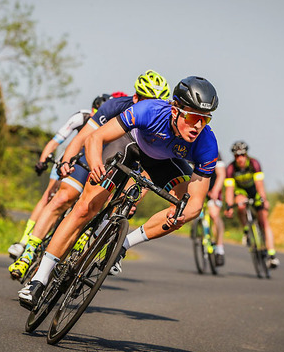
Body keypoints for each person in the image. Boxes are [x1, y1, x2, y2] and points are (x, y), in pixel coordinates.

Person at [18, 75, 220, 308]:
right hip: (129, 144)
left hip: (163, 162)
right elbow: (97, 137)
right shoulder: (149, 110)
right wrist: (96, 165)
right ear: (175, 109)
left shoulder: (207, 143)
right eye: (193, 117)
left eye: (205, 120)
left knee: (184, 210)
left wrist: (182, 214)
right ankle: (38, 279)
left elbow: (196, 202)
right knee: (86, 208)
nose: (198, 126)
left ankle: (122, 245)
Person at [10, 70, 170, 281]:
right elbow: (84, 137)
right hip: (92, 155)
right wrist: (67, 160)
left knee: (111, 208)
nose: (152, 107)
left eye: (157, 103)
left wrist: (134, 200)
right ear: (136, 98)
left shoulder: (161, 124)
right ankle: (28, 252)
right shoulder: (115, 106)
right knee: (63, 197)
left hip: (121, 163)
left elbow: (149, 171)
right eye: (148, 101)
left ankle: (76, 264)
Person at [7, 94, 111, 261]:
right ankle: (24, 240)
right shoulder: (81, 117)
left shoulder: (109, 126)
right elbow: (56, 140)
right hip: (67, 160)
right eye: (95, 112)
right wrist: (43, 159)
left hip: (85, 166)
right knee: (50, 195)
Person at [223, 141, 280, 268]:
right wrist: (228, 205)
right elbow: (229, 190)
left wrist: (264, 199)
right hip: (241, 192)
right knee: (240, 204)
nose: (240, 158)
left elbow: (260, 184)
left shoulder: (254, 163)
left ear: (246, 154)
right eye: (237, 156)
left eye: (242, 155)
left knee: (263, 220)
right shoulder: (231, 168)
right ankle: (246, 230)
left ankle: (272, 254)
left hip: (255, 192)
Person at [207, 152, 226, 266]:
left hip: (213, 187)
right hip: (198, 186)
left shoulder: (214, 152)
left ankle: (219, 248)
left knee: (214, 215)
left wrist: (215, 190)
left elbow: (221, 174)